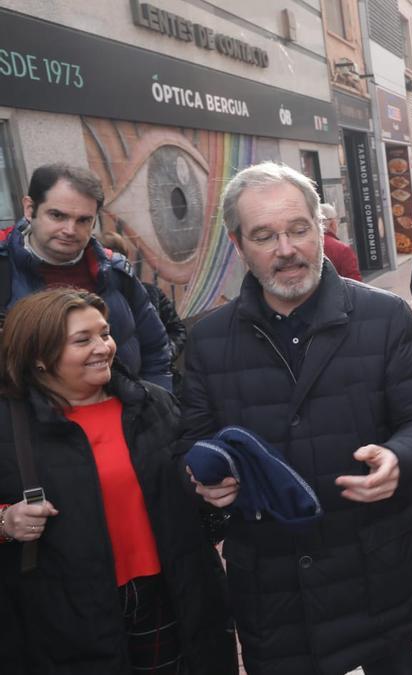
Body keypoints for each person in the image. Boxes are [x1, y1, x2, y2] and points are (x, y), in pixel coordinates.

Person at [183, 161, 412, 675]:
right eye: (264, 236)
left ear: (321, 231)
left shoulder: (385, 316)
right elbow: (190, 441)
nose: (286, 249)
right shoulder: (208, 340)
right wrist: (202, 479)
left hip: (378, 568)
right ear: (239, 245)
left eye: (299, 229)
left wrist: (400, 457)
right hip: (274, 587)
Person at [0, 287, 236, 674]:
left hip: (173, 596)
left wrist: (215, 491)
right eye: (83, 340)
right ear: (40, 357)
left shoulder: (153, 404)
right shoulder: (10, 426)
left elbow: (195, 498)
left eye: (105, 334)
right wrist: (5, 523)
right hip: (68, 618)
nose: (103, 347)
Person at [1, 164, 173, 391]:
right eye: (57, 215)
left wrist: (153, 409)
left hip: (127, 418)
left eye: (83, 220)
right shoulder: (5, 271)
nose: (70, 230)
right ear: (29, 208)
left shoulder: (116, 272)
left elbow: (156, 349)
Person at [97, 231, 188, 390]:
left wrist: (164, 355)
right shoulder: (93, 302)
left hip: (156, 386)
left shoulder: (151, 293)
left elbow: (177, 329)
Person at [317, 203, 363, 281]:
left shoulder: (306, 245)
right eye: (337, 220)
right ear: (332, 223)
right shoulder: (342, 250)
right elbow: (354, 283)